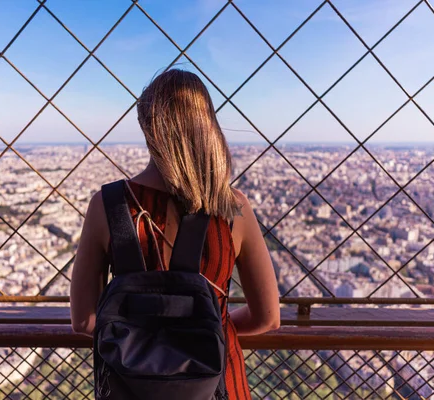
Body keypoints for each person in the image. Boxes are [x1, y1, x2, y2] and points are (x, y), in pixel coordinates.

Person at [70, 68, 280, 400]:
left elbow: (84, 321)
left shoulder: (108, 206)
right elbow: (268, 317)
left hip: (133, 382)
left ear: (146, 126)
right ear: (208, 125)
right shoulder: (233, 209)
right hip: (218, 383)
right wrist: (207, 333)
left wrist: (150, 342)